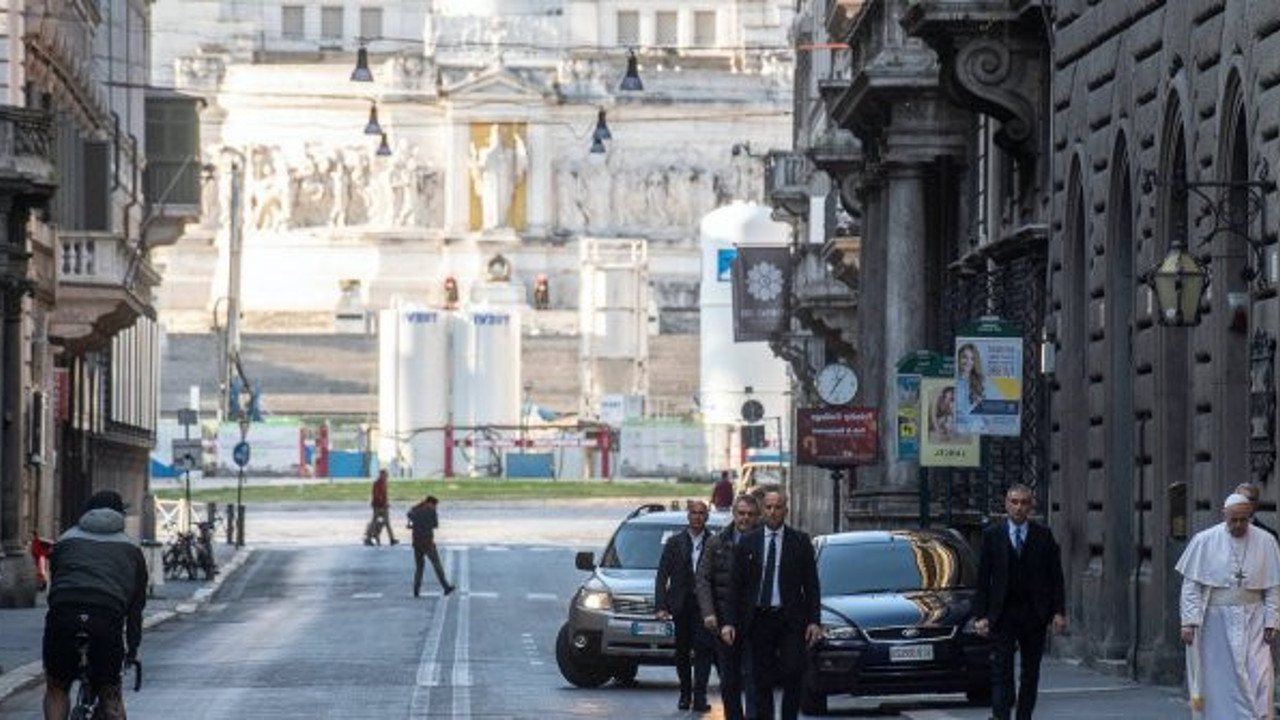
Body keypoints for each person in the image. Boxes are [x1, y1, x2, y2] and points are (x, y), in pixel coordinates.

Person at [43, 490, 147, 720]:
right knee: (110, 692)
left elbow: (55, 587)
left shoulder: (66, 539)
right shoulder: (132, 549)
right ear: (120, 515)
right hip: (106, 618)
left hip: (64, 615)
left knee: (57, 687)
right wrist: (132, 649)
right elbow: (135, 608)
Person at [1176, 492, 1280, 719]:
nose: (1239, 525)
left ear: (1250, 516)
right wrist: (1189, 622)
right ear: (1224, 515)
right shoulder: (1205, 540)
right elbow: (1191, 587)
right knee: (1219, 678)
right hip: (1216, 623)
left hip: (1253, 618)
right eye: (1234, 520)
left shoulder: (1265, 541)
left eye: (1244, 519)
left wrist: (1273, 619)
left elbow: (1273, 586)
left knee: (1261, 674)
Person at [723, 490, 821, 720]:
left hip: (790, 619)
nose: (772, 512)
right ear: (762, 510)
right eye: (768, 507)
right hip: (758, 619)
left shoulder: (800, 541)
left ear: (785, 510)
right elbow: (735, 586)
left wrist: (814, 621)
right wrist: (729, 622)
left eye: (777, 507)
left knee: (792, 672)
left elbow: (812, 585)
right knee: (760, 678)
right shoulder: (748, 541)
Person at [973, 484, 1067, 720]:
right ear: (1006, 504)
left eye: (1024, 502)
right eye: (1014, 502)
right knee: (1001, 671)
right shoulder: (992, 535)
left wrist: (1058, 612)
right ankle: (1001, 716)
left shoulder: (1043, 536)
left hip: (1034, 615)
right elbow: (983, 578)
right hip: (1002, 614)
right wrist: (980, 616)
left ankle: (1024, 716)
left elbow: (1056, 576)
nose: (1019, 507)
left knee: (1030, 672)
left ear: (1031, 506)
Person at [696, 494, 761, 720]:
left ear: (757, 516)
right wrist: (709, 614)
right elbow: (703, 579)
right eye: (741, 514)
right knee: (729, 679)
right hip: (723, 622)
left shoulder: (764, 542)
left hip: (755, 622)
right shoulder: (717, 542)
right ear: (734, 514)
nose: (745, 518)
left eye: (750, 515)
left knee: (754, 677)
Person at [656, 499, 715, 712]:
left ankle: (700, 697)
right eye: (694, 513)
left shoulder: (714, 541)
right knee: (682, 652)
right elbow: (662, 575)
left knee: (704, 650)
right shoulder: (675, 542)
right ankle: (685, 693)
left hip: (704, 606)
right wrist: (661, 605)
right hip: (681, 605)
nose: (697, 517)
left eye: (701, 513)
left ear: (706, 517)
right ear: (688, 516)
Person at [407, 496, 455, 598]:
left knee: (419, 567)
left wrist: (415, 524)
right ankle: (445, 587)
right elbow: (435, 525)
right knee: (437, 565)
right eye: (435, 505)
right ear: (430, 503)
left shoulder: (416, 510)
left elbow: (409, 517)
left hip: (416, 542)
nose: (435, 507)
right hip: (428, 542)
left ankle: (416, 590)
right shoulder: (431, 511)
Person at [364, 470, 399, 546]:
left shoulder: (384, 483)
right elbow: (377, 496)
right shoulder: (377, 484)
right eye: (385, 475)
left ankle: (391, 539)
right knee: (375, 522)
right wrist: (384, 504)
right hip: (378, 506)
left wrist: (386, 503)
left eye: (387, 475)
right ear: (381, 475)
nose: (386, 477)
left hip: (382, 506)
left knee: (386, 522)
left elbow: (384, 495)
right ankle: (368, 538)